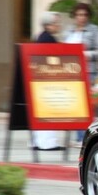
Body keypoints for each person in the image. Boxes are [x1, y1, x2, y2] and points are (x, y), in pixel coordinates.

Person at [63, 3, 98, 145]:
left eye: (84, 15)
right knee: (75, 105)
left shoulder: (95, 30)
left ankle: (85, 137)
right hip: (71, 72)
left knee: (87, 105)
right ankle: (78, 136)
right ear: (74, 16)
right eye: (79, 15)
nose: (81, 18)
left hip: (89, 71)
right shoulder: (69, 31)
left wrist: (85, 54)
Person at [32, 12, 63, 150]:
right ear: (48, 25)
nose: (58, 26)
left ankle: (39, 141)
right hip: (48, 80)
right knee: (48, 111)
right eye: (55, 23)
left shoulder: (40, 37)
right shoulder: (48, 39)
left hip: (40, 80)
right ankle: (47, 143)